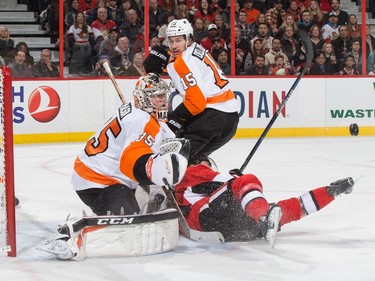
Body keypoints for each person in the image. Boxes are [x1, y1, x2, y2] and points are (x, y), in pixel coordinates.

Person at [38, 73, 190, 260]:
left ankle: (120, 204)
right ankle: (70, 233)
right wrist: (156, 172)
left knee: (148, 201)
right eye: (157, 96)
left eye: (164, 95)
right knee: (128, 222)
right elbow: (129, 163)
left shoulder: (137, 112)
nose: (163, 100)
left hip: (94, 172)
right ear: (143, 97)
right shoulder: (143, 121)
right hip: (98, 182)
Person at [174, 156, 355, 245]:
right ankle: (263, 219)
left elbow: (298, 206)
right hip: (202, 215)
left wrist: (329, 192)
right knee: (248, 181)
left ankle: (264, 219)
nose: (203, 166)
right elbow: (233, 182)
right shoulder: (192, 171)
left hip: (218, 223)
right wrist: (235, 176)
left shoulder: (203, 180)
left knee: (280, 211)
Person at [150, 19, 240, 163]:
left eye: (178, 41)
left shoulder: (181, 62)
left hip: (211, 118)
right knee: (194, 159)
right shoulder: (197, 48)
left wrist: (175, 119)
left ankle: (197, 182)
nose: (174, 46)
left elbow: (196, 102)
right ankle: (208, 181)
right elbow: (187, 64)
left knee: (175, 158)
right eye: (171, 41)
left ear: (188, 39)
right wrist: (164, 58)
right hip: (230, 121)